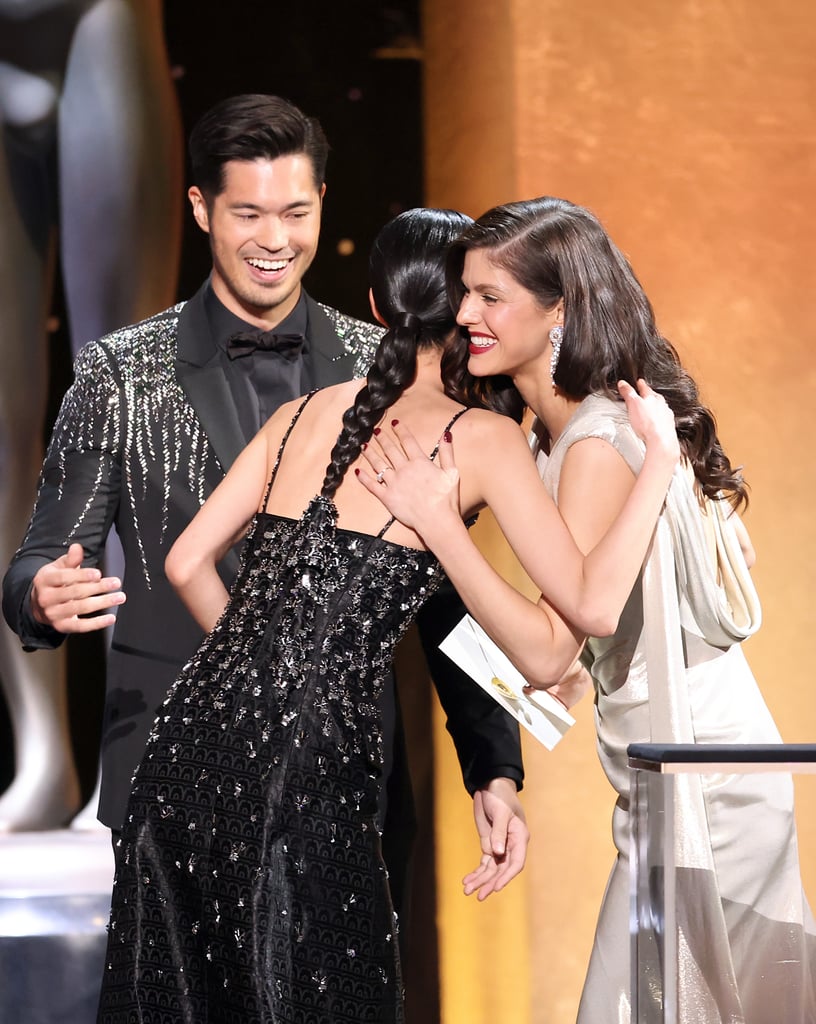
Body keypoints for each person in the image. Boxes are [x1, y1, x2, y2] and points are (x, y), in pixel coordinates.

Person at [96, 206, 678, 1022]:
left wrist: (267, 671)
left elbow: (186, 562)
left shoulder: (301, 412)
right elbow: (558, 634)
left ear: (375, 307)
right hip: (305, 765)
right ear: (464, 313)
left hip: (186, 744)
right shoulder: (487, 438)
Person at [1, 94, 524, 906]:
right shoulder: (119, 375)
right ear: (201, 208)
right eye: (248, 212)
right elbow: (45, 548)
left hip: (348, 775)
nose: (275, 240)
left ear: (322, 207)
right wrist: (37, 593)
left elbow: (447, 590)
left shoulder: (394, 367)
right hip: (173, 772)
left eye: (296, 211)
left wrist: (493, 762)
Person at [362, 196, 816, 1023]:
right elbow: (567, 657)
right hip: (660, 774)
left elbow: (565, 632)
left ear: (559, 307)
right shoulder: (549, 433)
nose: (466, 315)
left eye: (490, 296)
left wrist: (438, 527)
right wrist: (505, 748)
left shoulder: (600, 438)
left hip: (707, 784)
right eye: (464, 293)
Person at [0, 0, 183, 831]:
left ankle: (134, 740)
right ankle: (41, 754)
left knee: (122, 406)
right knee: (3, 437)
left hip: (94, 20)